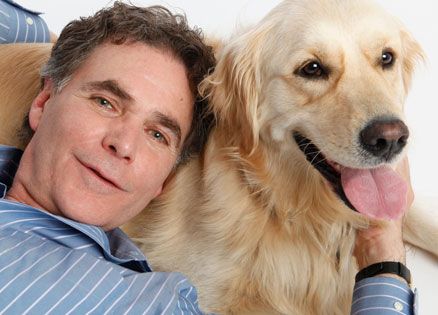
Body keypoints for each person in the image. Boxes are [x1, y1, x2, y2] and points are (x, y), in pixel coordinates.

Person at [0, 1, 416, 314]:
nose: (123, 144)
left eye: (158, 135)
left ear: (166, 176)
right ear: (43, 100)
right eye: (105, 102)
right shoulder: (142, 301)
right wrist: (386, 267)